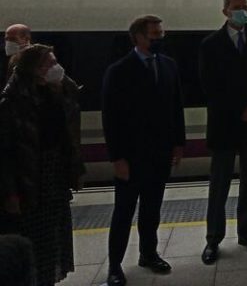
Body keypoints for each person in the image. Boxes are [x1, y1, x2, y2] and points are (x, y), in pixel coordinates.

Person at [102, 16, 186, 286]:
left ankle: (148, 253)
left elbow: (176, 107)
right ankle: (114, 266)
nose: (159, 39)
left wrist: (178, 143)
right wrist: (117, 157)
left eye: (161, 34)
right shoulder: (119, 71)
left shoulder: (169, 65)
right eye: (153, 35)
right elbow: (111, 118)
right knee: (123, 212)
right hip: (131, 155)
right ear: (137, 37)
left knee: (152, 208)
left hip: (160, 153)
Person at [0, 44, 84, 286]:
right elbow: (5, 153)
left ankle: (48, 279)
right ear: (35, 69)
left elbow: (69, 133)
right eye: (50, 63)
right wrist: (11, 193)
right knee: (34, 239)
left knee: (53, 239)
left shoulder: (56, 94)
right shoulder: (12, 101)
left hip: (54, 177)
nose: (56, 67)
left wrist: (75, 170)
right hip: (29, 181)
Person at [200, 0, 247, 265]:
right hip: (224, 126)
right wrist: (240, 109)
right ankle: (213, 239)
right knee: (219, 186)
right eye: (237, 7)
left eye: (245, 6)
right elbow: (209, 86)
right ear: (225, 12)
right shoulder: (210, 45)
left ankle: (246, 233)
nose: (242, 10)